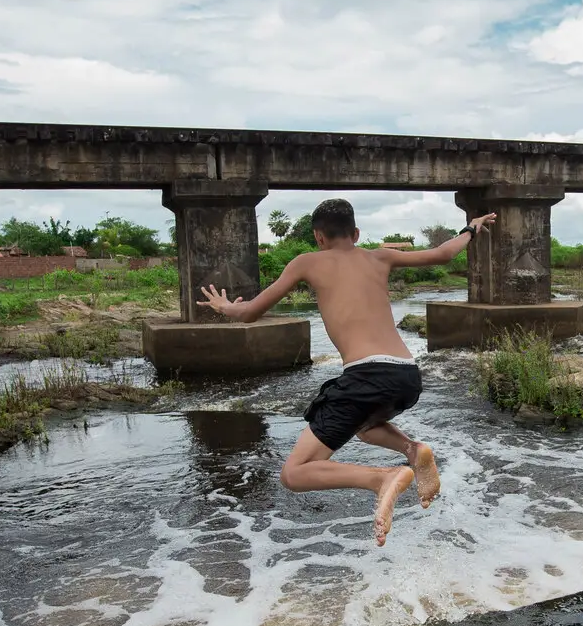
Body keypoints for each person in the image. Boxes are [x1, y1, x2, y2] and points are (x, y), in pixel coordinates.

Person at [199, 199, 496, 546]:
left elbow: (250, 313)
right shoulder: (380, 255)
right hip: (407, 375)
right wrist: (471, 227)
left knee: (294, 473)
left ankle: (383, 479)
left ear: (318, 237)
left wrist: (225, 307)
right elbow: (445, 253)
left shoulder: (307, 262)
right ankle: (413, 451)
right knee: (365, 428)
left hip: (366, 375)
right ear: (356, 233)